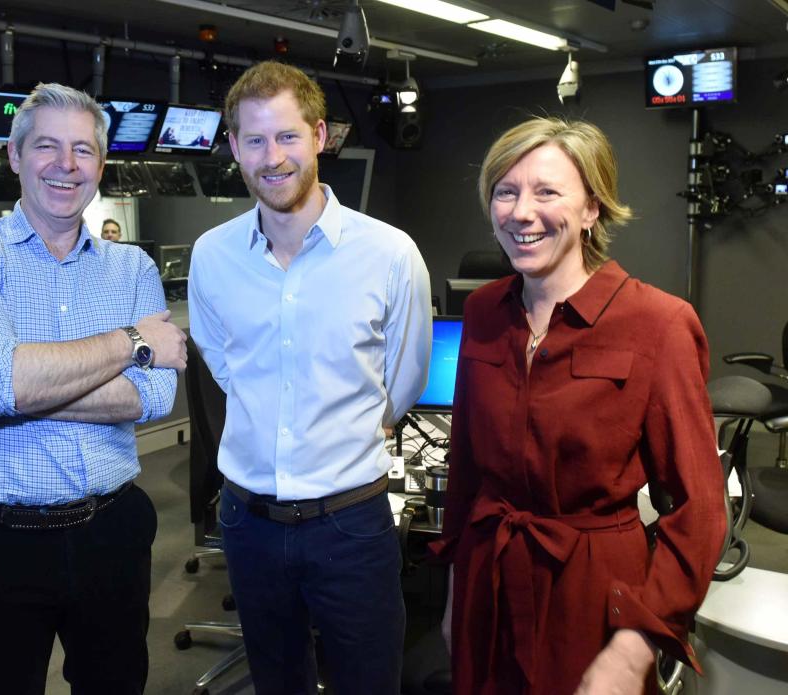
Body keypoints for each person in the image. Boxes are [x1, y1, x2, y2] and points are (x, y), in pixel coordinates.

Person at [434, 117, 727, 695]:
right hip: (486, 578)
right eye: (505, 191)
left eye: (547, 192)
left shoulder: (658, 324)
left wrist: (639, 641)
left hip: (591, 590)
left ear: (592, 208)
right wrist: (453, 592)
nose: (521, 212)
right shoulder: (485, 311)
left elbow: (699, 510)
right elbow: (466, 467)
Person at [0, 82, 187, 695]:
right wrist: (132, 342)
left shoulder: (135, 268)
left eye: (83, 150)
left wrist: (15, 393)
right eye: (46, 146)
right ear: (15, 156)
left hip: (112, 533)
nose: (66, 166)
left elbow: (154, 399)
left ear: (100, 163)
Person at [188, 61, 432, 694]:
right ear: (234, 147)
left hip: (351, 523)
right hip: (247, 521)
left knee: (369, 682)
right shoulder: (212, 256)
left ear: (320, 135)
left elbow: (402, 382)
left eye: (289, 136)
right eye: (256, 140)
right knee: (277, 682)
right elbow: (223, 364)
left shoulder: (390, 253)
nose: (274, 157)